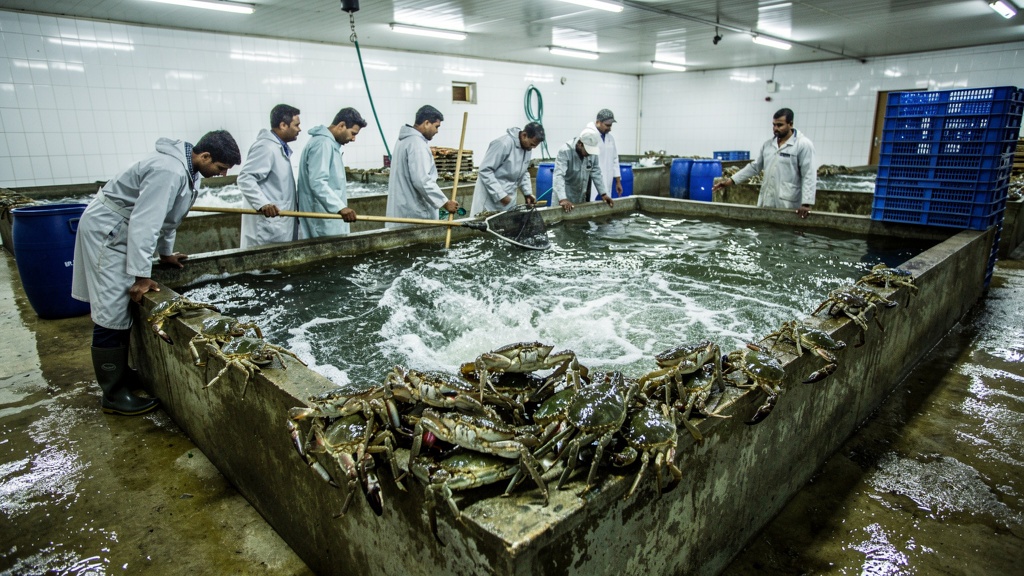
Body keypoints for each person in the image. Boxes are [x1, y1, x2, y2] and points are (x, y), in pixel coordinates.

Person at [71, 131, 241, 416]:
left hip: (123, 230)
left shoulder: (189, 171)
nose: (220, 174)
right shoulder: (169, 171)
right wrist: (141, 276)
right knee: (111, 310)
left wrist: (165, 254)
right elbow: (145, 222)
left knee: (119, 307)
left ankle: (122, 375)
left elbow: (169, 218)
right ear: (205, 156)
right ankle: (113, 394)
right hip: (109, 232)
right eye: (220, 168)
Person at [713, 107, 816, 218]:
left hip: (789, 202)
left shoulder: (803, 145)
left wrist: (806, 203)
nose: (775, 128)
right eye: (774, 125)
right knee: (764, 232)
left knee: (786, 233)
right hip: (767, 200)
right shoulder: (768, 145)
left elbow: (808, 174)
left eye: (780, 125)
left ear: (790, 124)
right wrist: (731, 181)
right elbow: (755, 167)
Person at [296, 107, 367, 237]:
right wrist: (340, 208)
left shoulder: (328, 143)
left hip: (327, 217)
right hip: (322, 220)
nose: (353, 139)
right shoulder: (322, 144)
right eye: (353, 133)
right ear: (341, 125)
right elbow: (317, 182)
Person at [385, 105, 459, 228]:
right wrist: (445, 203)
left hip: (402, 212)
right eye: (436, 126)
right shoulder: (417, 144)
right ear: (426, 123)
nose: (437, 131)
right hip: (414, 215)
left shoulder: (404, 141)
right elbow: (422, 180)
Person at [238, 104, 301, 248]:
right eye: (296, 125)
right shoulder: (265, 147)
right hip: (267, 228)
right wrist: (263, 204)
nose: (299, 129)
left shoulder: (278, 147)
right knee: (263, 269)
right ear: (283, 125)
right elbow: (245, 178)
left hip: (278, 223)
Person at [469, 122, 545, 216]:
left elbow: (524, 171)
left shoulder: (527, 148)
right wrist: (500, 195)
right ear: (524, 135)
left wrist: (527, 193)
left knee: (504, 227)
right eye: (532, 144)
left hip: (508, 199)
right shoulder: (503, 144)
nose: (533, 148)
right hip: (490, 199)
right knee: (484, 225)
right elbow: (485, 170)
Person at [552, 127, 614, 212]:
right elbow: (559, 175)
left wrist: (603, 193)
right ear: (580, 144)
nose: (589, 154)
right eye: (587, 151)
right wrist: (563, 199)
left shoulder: (592, 153)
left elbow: (596, 171)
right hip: (564, 197)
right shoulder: (565, 151)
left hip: (580, 197)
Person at [587, 109, 622, 201]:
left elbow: (615, 159)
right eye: (607, 125)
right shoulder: (589, 136)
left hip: (608, 180)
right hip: (593, 182)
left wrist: (618, 182)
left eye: (611, 125)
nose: (610, 128)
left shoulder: (610, 139)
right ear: (598, 122)